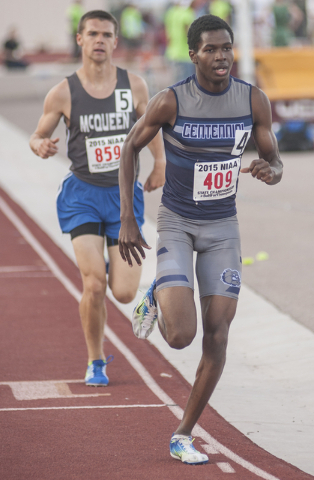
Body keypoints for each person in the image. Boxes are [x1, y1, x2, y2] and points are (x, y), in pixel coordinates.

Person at [118, 14, 283, 465]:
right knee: (180, 336)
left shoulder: (254, 101)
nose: (221, 56)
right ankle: (158, 292)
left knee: (218, 333)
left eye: (226, 48)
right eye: (210, 49)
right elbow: (130, 148)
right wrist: (129, 218)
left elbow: (273, 158)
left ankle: (183, 433)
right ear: (192, 55)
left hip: (222, 227)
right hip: (176, 222)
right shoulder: (170, 101)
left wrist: (273, 171)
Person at [29, 10, 166, 386]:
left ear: (116, 41)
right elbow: (36, 134)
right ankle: (96, 360)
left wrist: (160, 163)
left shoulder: (134, 85)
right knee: (93, 285)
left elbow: (152, 125)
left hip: (124, 199)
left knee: (121, 291)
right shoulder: (63, 92)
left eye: (106, 34)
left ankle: (147, 293)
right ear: (80, 39)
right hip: (82, 196)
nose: (99, 40)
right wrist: (40, 144)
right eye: (92, 34)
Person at [164, 0, 197, 83]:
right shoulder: (187, 13)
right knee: (186, 84)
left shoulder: (171, 13)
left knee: (176, 83)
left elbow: (167, 34)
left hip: (172, 52)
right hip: (185, 54)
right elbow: (188, 33)